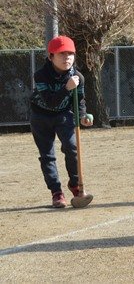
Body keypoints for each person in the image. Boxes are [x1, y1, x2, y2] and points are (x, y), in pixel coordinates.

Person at [30, 35, 94, 208]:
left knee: (72, 148)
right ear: (51, 56)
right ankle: (56, 193)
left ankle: (75, 185)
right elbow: (51, 101)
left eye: (70, 54)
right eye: (61, 54)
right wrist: (67, 87)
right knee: (47, 155)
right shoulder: (41, 75)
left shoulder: (78, 76)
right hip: (40, 116)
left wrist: (82, 115)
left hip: (64, 115)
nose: (67, 58)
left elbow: (79, 99)